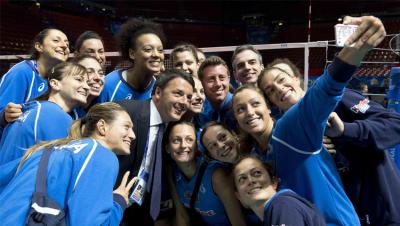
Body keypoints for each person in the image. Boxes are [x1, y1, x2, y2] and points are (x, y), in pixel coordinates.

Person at [233, 15, 387, 225]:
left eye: (255, 103)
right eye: (240, 109)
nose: (249, 112)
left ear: (269, 107)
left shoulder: (288, 130)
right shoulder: (259, 156)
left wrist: (356, 48)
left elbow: (324, 90)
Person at [262, 58, 400, 225]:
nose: (279, 88)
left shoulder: (341, 99)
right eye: (270, 90)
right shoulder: (285, 139)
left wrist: (345, 131)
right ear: (271, 103)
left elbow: (395, 124)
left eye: (282, 79)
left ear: (296, 78)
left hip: (383, 211)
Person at [0, 102, 136, 226]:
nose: (133, 135)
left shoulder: (49, 147)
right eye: (126, 127)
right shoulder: (102, 155)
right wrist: (118, 203)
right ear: (102, 127)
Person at [116, 69, 194, 225]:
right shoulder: (125, 111)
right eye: (178, 94)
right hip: (109, 207)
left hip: (139, 212)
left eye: (189, 97)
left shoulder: (173, 131)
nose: (184, 101)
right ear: (158, 92)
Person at [0, 62, 89, 165]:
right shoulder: (53, 114)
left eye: (87, 82)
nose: (86, 87)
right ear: (55, 84)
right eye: (79, 79)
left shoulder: (38, 109)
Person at [165, 121, 246, 226]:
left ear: (196, 146)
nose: (183, 145)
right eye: (176, 140)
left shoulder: (216, 175)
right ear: (167, 148)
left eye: (189, 140)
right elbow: (182, 215)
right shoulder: (171, 172)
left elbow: (238, 222)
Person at [233, 156, 326, 226]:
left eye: (257, 173)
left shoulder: (283, 205)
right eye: (242, 179)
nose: (251, 181)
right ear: (239, 197)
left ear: (274, 182)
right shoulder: (273, 213)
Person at [0, 28, 69, 112]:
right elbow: (3, 110)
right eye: (56, 40)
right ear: (39, 46)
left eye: (67, 44)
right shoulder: (21, 72)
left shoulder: (59, 79)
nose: (64, 46)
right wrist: (4, 117)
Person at [97, 18, 166, 102]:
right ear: (132, 54)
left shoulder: (159, 89)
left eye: (160, 50)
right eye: (148, 49)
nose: (156, 55)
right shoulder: (109, 84)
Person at [198, 56, 236, 130]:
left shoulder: (240, 107)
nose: (218, 84)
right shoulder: (204, 114)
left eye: (222, 78)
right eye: (211, 79)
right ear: (201, 83)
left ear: (228, 79)